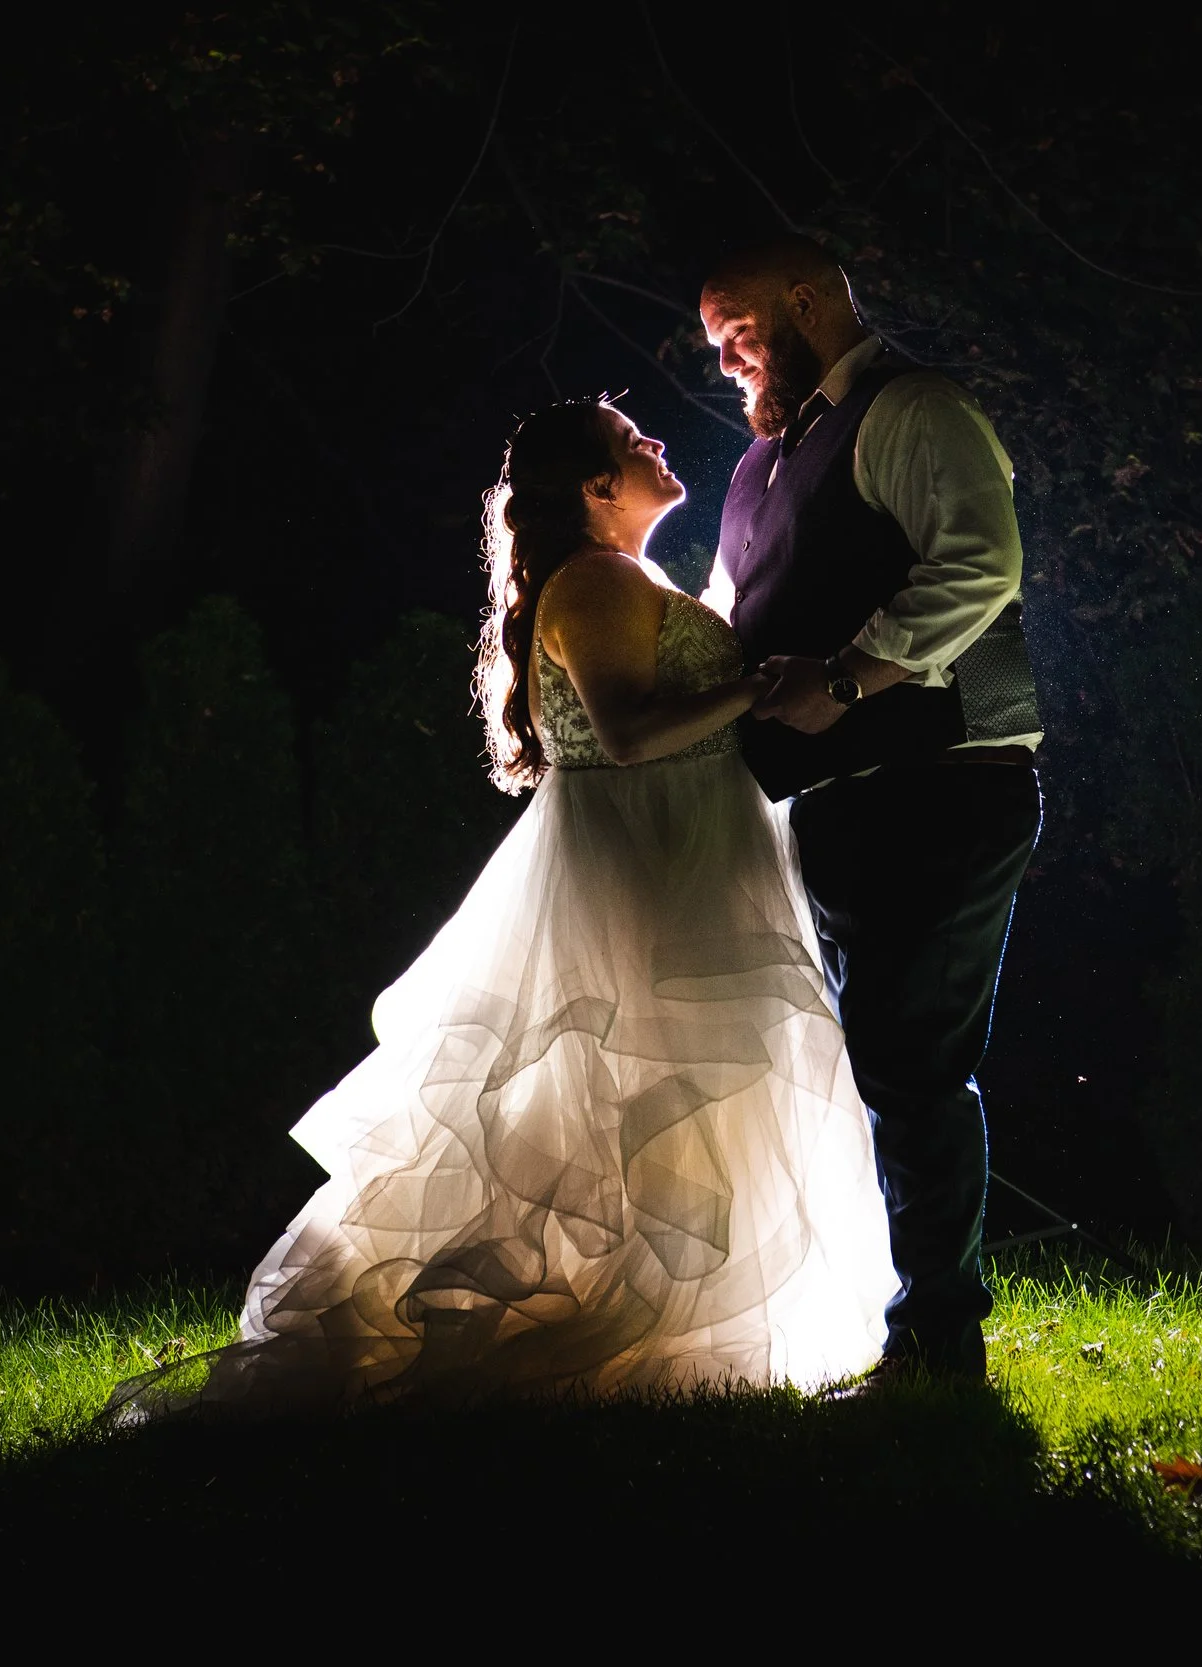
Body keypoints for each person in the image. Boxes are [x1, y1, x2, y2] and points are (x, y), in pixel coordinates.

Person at [108, 398, 894, 1420]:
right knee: (643, 1095)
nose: (653, 444)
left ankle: (684, 1333)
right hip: (651, 858)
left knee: (671, 1101)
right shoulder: (598, 581)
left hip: (684, 847)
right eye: (629, 442)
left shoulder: (623, 576)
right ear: (595, 488)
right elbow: (624, 732)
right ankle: (595, 1328)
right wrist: (756, 690)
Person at [700, 236, 1044, 1385]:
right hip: (829, 807)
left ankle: (941, 1339)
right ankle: (910, 1321)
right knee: (878, 1064)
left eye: (740, 330)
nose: (728, 360)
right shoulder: (756, 470)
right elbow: (727, 619)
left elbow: (980, 563)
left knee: (910, 1061)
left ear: (808, 301)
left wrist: (845, 676)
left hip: (946, 783)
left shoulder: (915, 409)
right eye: (714, 347)